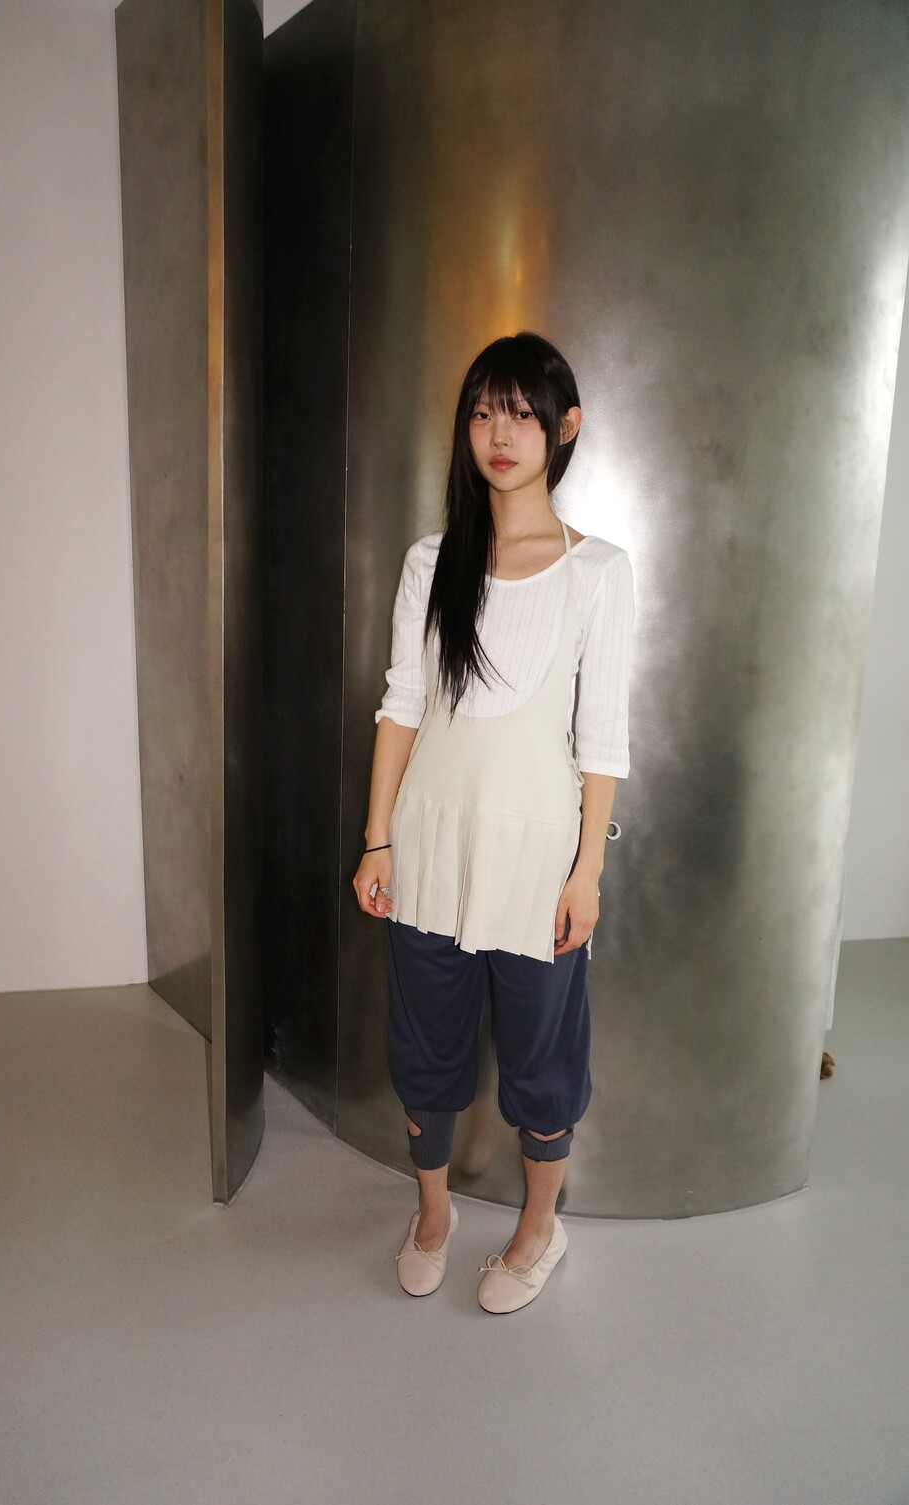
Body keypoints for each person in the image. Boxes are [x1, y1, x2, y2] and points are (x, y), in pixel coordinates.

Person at [352, 332, 635, 1314]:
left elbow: (602, 740)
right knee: (425, 1049)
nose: (499, 434)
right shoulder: (433, 561)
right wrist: (377, 838)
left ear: (566, 425)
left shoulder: (598, 571)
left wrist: (586, 873)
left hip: (537, 863)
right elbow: (401, 705)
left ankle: (538, 1226)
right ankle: (432, 1215)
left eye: (519, 413)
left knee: (543, 1061)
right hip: (429, 849)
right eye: (481, 413)